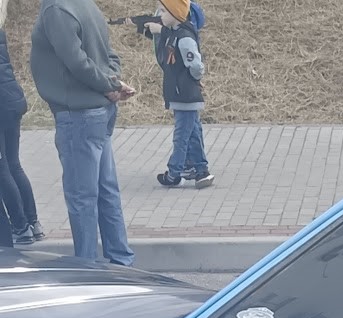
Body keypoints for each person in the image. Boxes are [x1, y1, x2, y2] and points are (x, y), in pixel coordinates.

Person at [29, 0, 136, 265]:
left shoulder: (56, 9)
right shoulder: (85, 4)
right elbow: (110, 54)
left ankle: (87, 268)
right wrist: (112, 82)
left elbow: (76, 62)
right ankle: (120, 261)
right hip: (99, 111)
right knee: (106, 191)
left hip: (79, 114)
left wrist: (108, 85)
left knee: (81, 198)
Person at [145, 0, 213, 188]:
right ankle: (201, 170)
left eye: (163, 11)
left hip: (185, 96)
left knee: (181, 136)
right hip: (182, 95)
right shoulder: (175, 33)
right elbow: (167, 36)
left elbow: (196, 65)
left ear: (175, 14)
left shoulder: (184, 38)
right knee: (193, 133)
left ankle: (174, 173)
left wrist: (192, 80)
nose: (159, 15)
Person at [0, 21, 44, 245]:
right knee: (13, 164)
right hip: (12, 99)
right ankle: (33, 223)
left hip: (2, 104)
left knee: (2, 169)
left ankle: (20, 226)